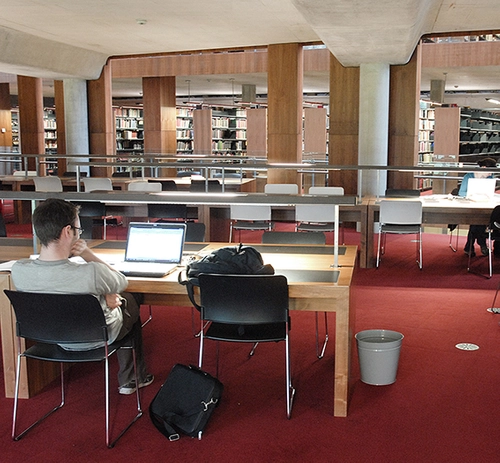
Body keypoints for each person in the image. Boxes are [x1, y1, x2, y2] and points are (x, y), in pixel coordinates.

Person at [11, 198, 153, 395]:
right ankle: (132, 379)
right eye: (78, 230)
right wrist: (88, 255)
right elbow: (121, 281)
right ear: (67, 232)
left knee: (115, 298)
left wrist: (103, 297)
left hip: (53, 337)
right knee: (130, 298)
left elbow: (54, 290)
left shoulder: (18, 271)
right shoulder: (90, 272)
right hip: (98, 337)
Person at [458, 157, 497, 257]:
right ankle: (482, 243)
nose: (491, 174)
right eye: (490, 171)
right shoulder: (469, 176)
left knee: (477, 222)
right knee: (477, 221)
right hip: (470, 205)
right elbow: (461, 193)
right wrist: (472, 196)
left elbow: (490, 192)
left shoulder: (490, 178)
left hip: (484, 205)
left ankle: (469, 246)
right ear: (484, 168)